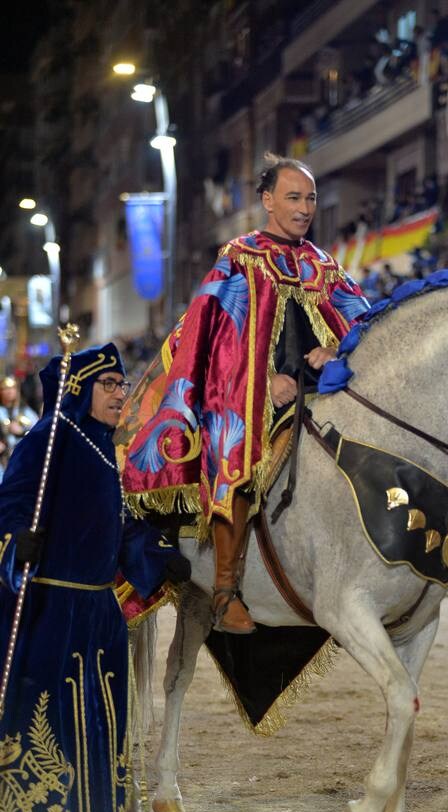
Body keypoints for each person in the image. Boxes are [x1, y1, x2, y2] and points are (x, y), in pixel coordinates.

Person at [121, 154, 370, 636]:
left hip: (318, 392)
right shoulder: (239, 256)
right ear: (268, 200)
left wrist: (334, 347)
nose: (304, 208)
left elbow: (365, 322)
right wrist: (266, 383)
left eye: (311, 198)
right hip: (247, 395)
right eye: (293, 197)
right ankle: (224, 588)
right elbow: (214, 337)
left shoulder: (324, 265)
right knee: (237, 449)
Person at [0, 343, 191, 812]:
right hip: (53, 613)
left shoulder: (102, 446)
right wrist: (18, 544)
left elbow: (116, 525)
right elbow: (9, 513)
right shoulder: (46, 441)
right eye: (108, 385)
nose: (120, 393)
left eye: (121, 384)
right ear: (79, 390)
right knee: (54, 733)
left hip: (97, 611)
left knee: (100, 732)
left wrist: (158, 556)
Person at [0, 375, 39, 456]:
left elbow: (38, 433)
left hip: (22, 455)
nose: (9, 392)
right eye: (5, 389)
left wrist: (22, 432)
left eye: (12, 388)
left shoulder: (26, 411)